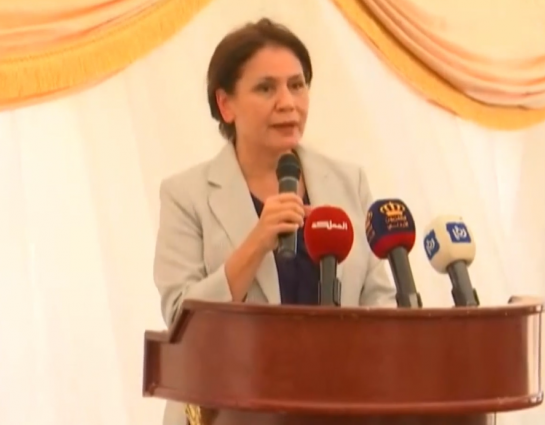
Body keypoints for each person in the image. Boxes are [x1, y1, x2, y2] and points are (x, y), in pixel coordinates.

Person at [153, 18, 397, 425]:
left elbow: (380, 301)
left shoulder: (347, 181)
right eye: (266, 88)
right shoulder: (186, 195)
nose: (288, 102)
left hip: (338, 409)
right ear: (226, 104)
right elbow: (181, 321)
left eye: (297, 85)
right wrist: (256, 242)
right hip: (226, 412)